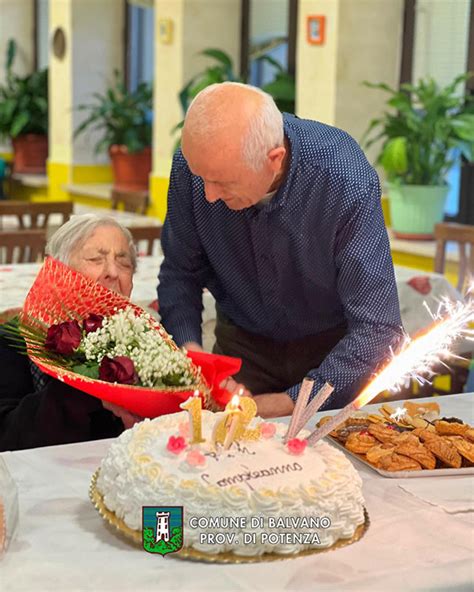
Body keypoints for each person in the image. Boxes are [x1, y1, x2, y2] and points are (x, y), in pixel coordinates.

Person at [158, 82, 403, 418]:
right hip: (240, 349)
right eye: (203, 179)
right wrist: (191, 355)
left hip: (333, 355)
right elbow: (179, 273)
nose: (210, 195)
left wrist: (288, 403)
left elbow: (378, 328)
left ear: (274, 159)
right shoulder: (194, 170)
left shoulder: (343, 178)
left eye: (223, 183)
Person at [0, 214, 141, 451]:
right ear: (57, 271)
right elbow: (7, 437)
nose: (113, 272)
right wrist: (89, 390)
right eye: (96, 259)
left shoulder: (141, 341)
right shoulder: (16, 340)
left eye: (124, 263)